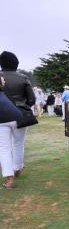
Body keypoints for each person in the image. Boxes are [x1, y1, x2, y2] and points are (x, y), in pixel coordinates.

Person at [0, 51, 35, 187]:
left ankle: (9, 179)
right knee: (18, 143)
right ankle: (18, 168)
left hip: (1, 115)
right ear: (16, 63)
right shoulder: (23, 78)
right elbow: (31, 99)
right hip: (20, 115)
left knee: (3, 147)